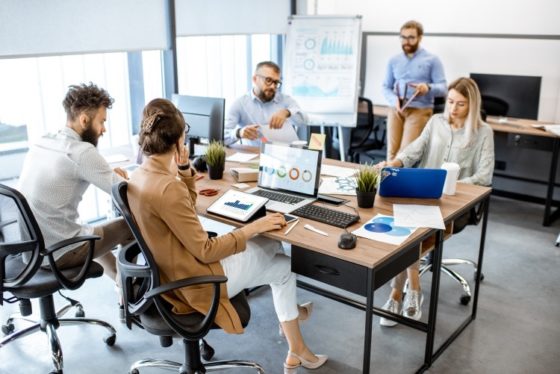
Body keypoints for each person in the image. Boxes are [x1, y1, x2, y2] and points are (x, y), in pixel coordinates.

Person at [128, 98, 327, 372]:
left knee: (272, 249)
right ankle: (296, 341)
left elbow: (183, 205)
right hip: (196, 283)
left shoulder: (140, 175)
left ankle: (294, 332)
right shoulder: (166, 188)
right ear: (177, 143)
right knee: (281, 263)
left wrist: (185, 170)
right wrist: (254, 227)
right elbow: (207, 251)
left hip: (168, 275)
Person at [376, 77, 494, 326]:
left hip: (456, 205)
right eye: (450, 101)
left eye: (460, 104)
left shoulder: (483, 133)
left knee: (411, 236)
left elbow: (484, 177)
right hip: (423, 195)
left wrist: (452, 185)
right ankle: (412, 291)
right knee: (403, 230)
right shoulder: (436, 122)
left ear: (472, 105)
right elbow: (414, 151)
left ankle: (399, 293)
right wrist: (393, 164)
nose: (453, 108)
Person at [18, 83, 132, 281]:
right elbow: (126, 193)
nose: (104, 129)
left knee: (88, 229)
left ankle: (122, 285)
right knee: (130, 226)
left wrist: (106, 173)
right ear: (84, 119)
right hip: (56, 254)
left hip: (30, 250)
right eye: (101, 122)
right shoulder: (82, 152)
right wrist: (126, 179)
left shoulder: (43, 141)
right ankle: (129, 288)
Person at [382, 20, 447, 162]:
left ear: (420, 37)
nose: (406, 41)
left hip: (419, 110)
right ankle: (387, 182)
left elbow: (443, 88)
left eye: (411, 37)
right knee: (391, 152)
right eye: (403, 37)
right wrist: (394, 101)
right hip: (397, 109)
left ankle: (402, 182)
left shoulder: (432, 60)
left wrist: (428, 87)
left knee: (405, 153)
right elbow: (385, 87)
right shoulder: (393, 60)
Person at [225, 61, 307, 146]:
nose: (272, 86)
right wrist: (238, 133)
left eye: (276, 82)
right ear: (255, 79)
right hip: (255, 155)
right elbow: (221, 137)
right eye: (268, 80)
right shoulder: (240, 103)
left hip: (284, 155)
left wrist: (287, 112)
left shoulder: (285, 100)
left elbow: (303, 120)